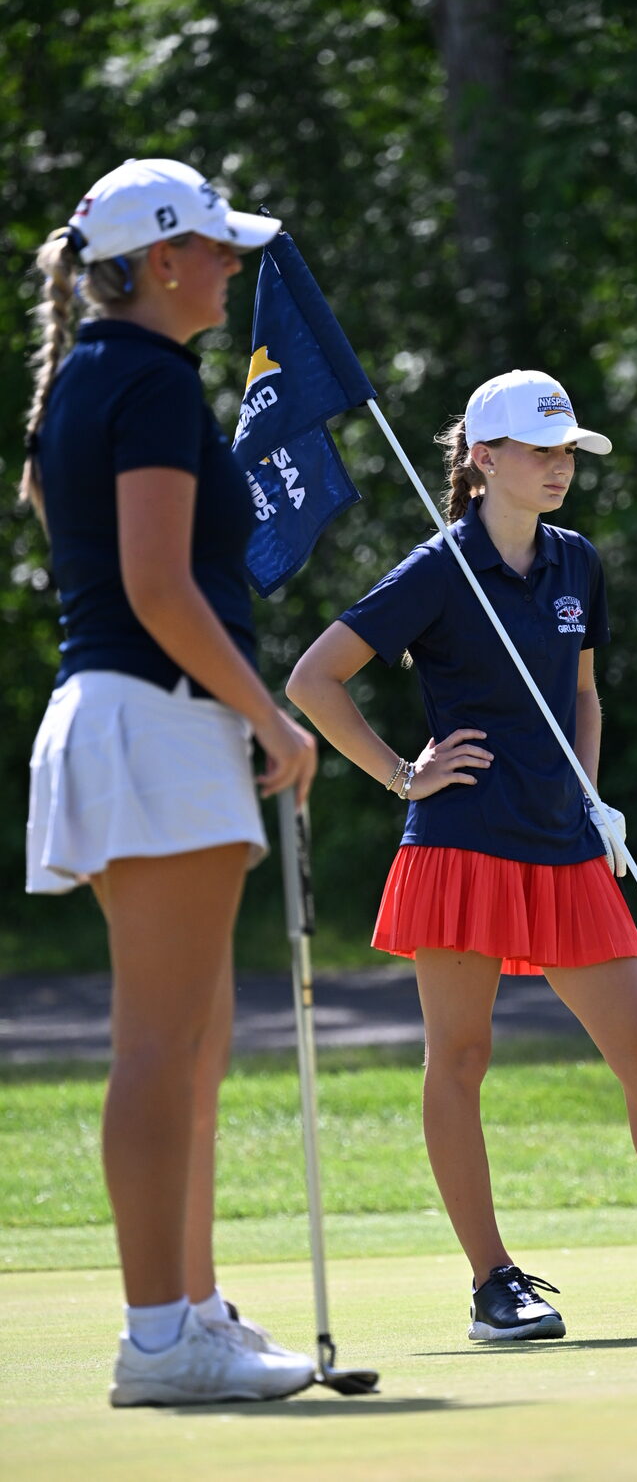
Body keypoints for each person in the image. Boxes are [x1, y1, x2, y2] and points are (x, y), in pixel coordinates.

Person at [287, 368, 637, 1341]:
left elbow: (583, 693)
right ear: (482, 459)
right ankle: (494, 1283)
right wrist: (400, 772)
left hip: (563, 844)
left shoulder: (575, 564)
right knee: (461, 1058)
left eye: (568, 451)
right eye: (540, 450)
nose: (560, 467)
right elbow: (315, 677)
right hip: (463, 843)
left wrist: (589, 796)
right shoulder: (437, 568)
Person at [21, 159, 319, 1406]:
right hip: (157, 719)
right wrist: (274, 718)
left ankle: (193, 1309)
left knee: (197, 1042)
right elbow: (155, 588)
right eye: (212, 248)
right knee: (161, 1044)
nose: (231, 267)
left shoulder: (103, 375)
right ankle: (158, 1342)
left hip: (137, 722)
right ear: (154, 263)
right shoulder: (144, 380)